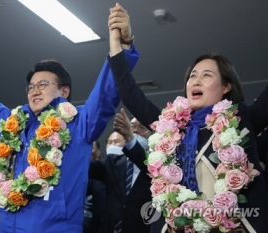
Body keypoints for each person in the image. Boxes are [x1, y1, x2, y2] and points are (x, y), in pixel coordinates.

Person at [0, 5, 138, 232]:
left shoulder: (80, 123)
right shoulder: (15, 124)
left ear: (64, 91)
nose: (34, 91)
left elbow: (106, 91)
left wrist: (124, 47)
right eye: (30, 87)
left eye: (43, 84)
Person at [107, 4, 268, 232]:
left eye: (207, 75)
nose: (196, 81)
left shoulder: (241, 120)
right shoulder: (170, 126)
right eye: (192, 76)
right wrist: (119, 44)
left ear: (226, 87)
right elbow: (131, 95)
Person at [89, 112, 152, 233]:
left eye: (141, 127)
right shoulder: (113, 161)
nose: (135, 131)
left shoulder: (158, 165)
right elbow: (88, 168)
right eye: (131, 126)